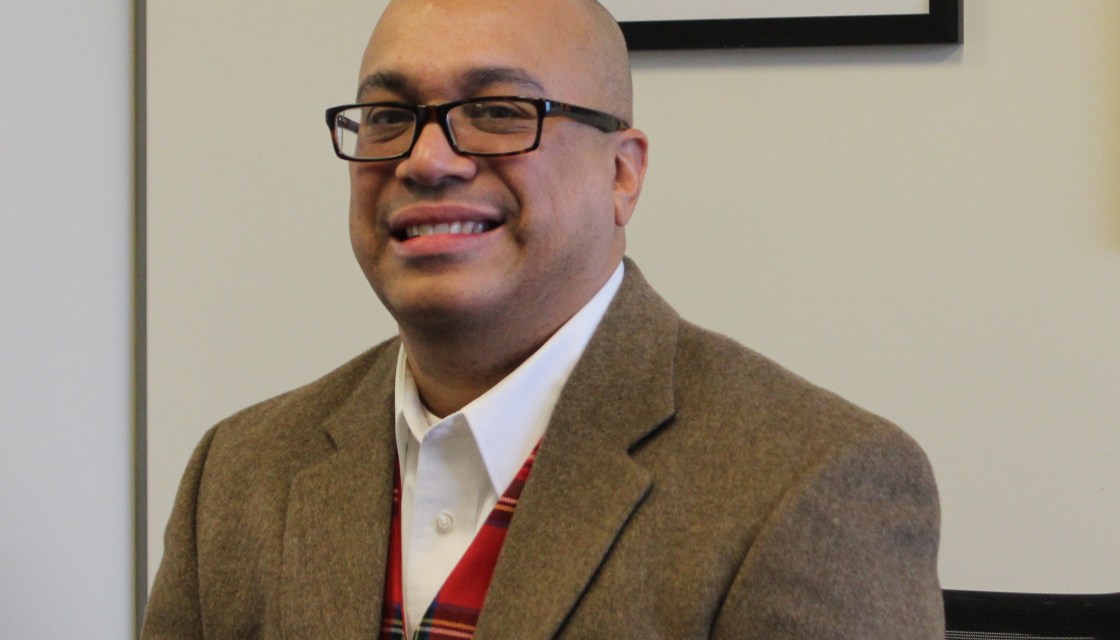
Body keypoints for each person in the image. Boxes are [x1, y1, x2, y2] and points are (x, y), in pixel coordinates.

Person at [142, 0, 944, 638]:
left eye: (497, 110)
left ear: (622, 175)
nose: (425, 159)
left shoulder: (812, 483)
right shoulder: (237, 474)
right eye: (387, 117)